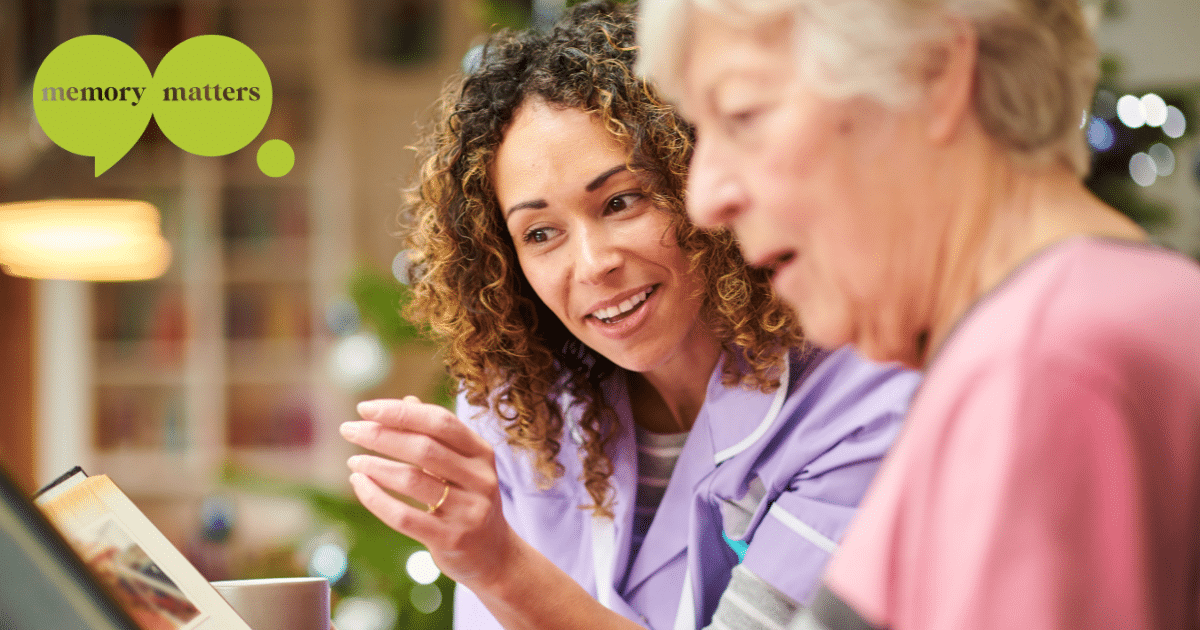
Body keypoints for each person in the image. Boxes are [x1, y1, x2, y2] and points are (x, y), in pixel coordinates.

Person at [338, 2, 919, 629]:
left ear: (695, 179)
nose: (593, 264)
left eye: (621, 200)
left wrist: (499, 566)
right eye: (539, 234)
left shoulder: (858, 397)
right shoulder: (516, 411)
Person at [636, 0, 1200, 629]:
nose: (704, 198)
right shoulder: (1077, 318)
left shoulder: (1043, 363)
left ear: (934, 71)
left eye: (744, 114)